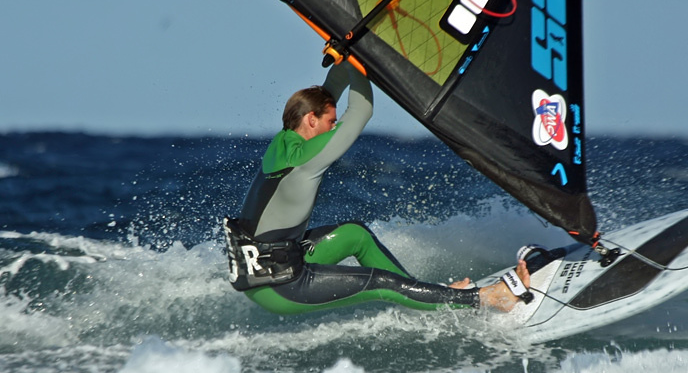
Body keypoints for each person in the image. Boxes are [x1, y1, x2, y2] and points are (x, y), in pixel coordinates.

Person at [224, 63, 530, 315]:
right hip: (281, 286)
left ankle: (429, 298)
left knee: (355, 235)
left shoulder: (284, 140)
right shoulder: (306, 158)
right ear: (311, 119)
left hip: (270, 266)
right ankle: (489, 299)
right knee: (381, 282)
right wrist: (362, 61)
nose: (334, 128)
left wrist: (345, 58)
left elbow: (329, 91)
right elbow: (361, 111)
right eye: (331, 121)